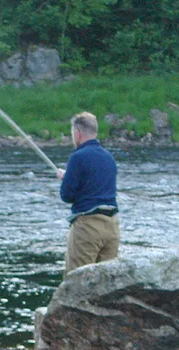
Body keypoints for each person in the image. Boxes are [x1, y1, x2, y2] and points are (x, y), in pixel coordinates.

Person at [56, 111, 119, 276]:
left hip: (88, 227)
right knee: (106, 283)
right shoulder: (109, 158)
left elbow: (67, 195)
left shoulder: (78, 157)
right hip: (112, 226)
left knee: (77, 281)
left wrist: (66, 179)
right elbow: (95, 186)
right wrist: (69, 176)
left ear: (77, 133)